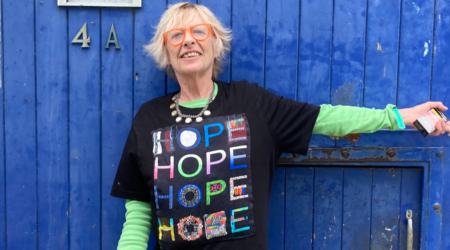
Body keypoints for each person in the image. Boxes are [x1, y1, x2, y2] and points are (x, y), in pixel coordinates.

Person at [110, 2, 450, 250]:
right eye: (176, 36)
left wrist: (398, 116)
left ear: (216, 46)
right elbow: (139, 215)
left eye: (200, 32)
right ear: (165, 53)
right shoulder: (149, 118)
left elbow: (326, 118)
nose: (188, 41)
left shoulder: (251, 103)